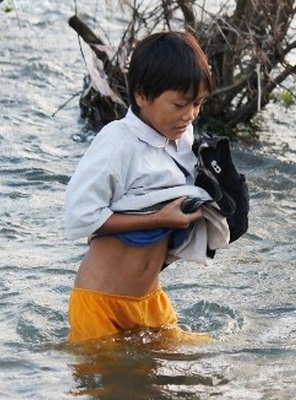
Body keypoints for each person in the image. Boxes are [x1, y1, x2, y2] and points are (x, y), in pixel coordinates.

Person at [65, 31, 230, 344]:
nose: (190, 115)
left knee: (199, 371)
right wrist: (159, 220)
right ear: (141, 95)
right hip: (100, 302)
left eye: (198, 103)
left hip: (150, 300)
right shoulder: (118, 142)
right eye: (180, 104)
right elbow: (79, 218)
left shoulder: (184, 140)